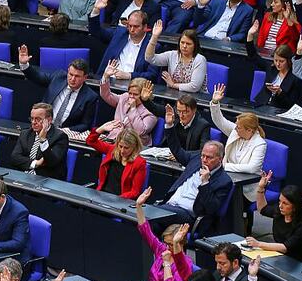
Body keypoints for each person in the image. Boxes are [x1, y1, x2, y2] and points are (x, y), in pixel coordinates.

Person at [157, 105, 233, 235]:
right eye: (203, 155)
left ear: (220, 159)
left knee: (152, 216)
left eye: (209, 157)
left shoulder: (224, 181)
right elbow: (178, 151)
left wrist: (205, 183)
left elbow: (211, 209)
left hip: (189, 215)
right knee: (149, 221)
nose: (203, 159)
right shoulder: (196, 158)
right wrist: (169, 126)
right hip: (170, 204)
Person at [128, 187, 192, 281]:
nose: (167, 247)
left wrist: (167, 264)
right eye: (166, 243)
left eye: (171, 244)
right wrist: (139, 206)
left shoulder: (185, 265)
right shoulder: (162, 250)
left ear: (181, 243)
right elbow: (145, 231)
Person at [19, 46, 98, 134]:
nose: (72, 79)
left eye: (77, 76)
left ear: (85, 78)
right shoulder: (58, 77)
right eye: (70, 74)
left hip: (64, 135)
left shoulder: (90, 97)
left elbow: (85, 124)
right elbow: (37, 77)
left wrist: (64, 131)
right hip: (42, 128)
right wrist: (24, 65)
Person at [89, 0, 157, 81]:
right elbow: (95, 31)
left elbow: (152, 75)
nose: (131, 29)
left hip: (132, 87)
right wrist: (96, 10)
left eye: (136, 26)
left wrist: (129, 75)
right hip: (108, 81)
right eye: (129, 25)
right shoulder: (120, 34)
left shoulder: (152, 46)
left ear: (145, 27)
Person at [249, 175, 302, 261]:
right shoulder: (280, 212)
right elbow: (262, 209)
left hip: (293, 261)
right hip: (277, 254)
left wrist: (258, 244)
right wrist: (261, 188)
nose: (280, 206)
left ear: (295, 206)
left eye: (285, 203)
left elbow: (285, 247)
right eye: (280, 201)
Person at [139, 81, 210, 150]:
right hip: (167, 154)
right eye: (179, 111)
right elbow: (156, 109)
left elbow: (202, 152)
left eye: (185, 112)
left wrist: (180, 156)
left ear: (194, 110)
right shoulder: (175, 114)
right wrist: (145, 100)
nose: (181, 115)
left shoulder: (203, 126)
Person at [244, 29, 302, 109]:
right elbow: (253, 56)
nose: (278, 64)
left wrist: (280, 92)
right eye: (276, 60)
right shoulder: (271, 68)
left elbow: (291, 104)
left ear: (288, 61)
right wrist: (250, 35)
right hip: (260, 105)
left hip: (278, 109)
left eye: (281, 61)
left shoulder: (294, 77)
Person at [86, 123, 147, 199]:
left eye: (126, 148)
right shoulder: (112, 150)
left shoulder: (139, 163)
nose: (122, 151)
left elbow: (135, 192)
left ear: (134, 147)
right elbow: (91, 141)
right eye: (120, 146)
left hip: (120, 201)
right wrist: (100, 129)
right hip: (102, 195)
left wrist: (117, 199)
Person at [145, 21, 207, 93]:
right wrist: (154, 37)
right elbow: (150, 58)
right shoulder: (172, 55)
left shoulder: (200, 59)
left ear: (195, 45)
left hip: (194, 99)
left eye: (188, 44)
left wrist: (173, 85)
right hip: (173, 95)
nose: (184, 46)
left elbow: (194, 87)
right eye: (182, 42)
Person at [10, 103, 68, 180]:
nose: (33, 122)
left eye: (38, 119)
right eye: (32, 118)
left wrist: (43, 140)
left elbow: (52, 162)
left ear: (49, 120)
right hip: (23, 177)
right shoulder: (25, 133)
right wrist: (36, 163)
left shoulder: (60, 137)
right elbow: (15, 158)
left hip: (47, 180)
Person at [98, 72, 157, 146]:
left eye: (135, 94)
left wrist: (133, 109)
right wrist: (105, 77)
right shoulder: (125, 98)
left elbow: (140, 131)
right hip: (114, 139)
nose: (131, 96)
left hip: (134, 145)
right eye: (130, 93)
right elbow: (107, 95)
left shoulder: (151, 110)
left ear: (144, 94)